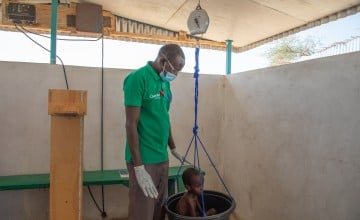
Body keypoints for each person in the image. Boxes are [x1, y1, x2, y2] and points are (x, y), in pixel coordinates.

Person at [123, 44, 187, 220]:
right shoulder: (138, 78)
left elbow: (164, 117)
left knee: (159, 210)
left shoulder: (165, 84)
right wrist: (139, 167)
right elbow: (130, 124)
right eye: (175, 69)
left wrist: (172, 147)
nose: (176, 75)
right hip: (144, 160)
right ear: (162, 60)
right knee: (142, 212)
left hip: (162, 157)